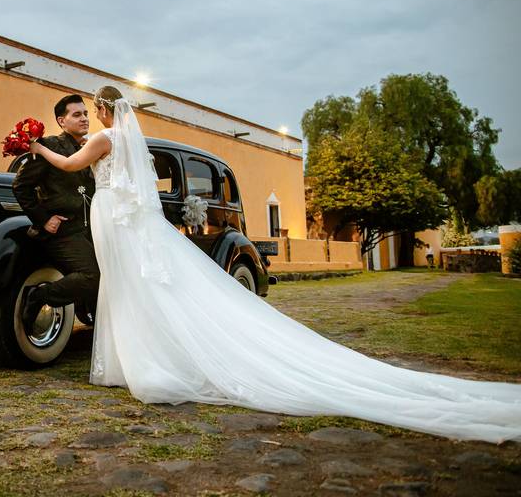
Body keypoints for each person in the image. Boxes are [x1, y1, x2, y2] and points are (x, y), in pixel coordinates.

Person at [29, 85, 521, 444]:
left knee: (127, 284)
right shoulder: (131, 139)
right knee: (130, 285)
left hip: (115, 215)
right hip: (120, 216)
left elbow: (72, 166)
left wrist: (34, 145)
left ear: (101, 108)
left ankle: (144, 361)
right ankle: (137, 355)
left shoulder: (104, 140)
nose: (87, 116)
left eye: (88, 109)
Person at [12, 94, 100, 325]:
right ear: (62, 121)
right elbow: (21, 186)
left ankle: (90, 311)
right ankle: (39, 296)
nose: (84, 119)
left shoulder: (90, 147)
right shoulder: (49, 145)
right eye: (77, 114)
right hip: (62, 231)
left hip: (88, 229)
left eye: (86, 114)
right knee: (92, 276)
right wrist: (44, 219)